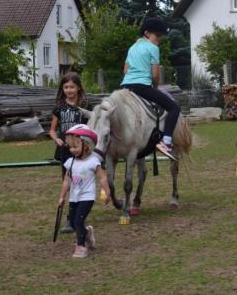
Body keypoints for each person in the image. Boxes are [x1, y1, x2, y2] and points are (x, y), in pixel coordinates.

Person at [120, 17, 180, 161]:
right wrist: (155, 88)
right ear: (146, 33)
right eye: (157, 35)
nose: (159, 39)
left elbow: (125, 70)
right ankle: (166, 141)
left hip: (126, 87)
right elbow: (155, 75)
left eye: (161, 36)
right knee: (174, 108)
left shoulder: (132, 47)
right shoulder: (153, 48)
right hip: (143, 87)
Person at [57, 124, 110, 258]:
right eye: (70, 147)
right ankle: (87, 233)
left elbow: (102, 178)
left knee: (79, 221)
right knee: (74, 224)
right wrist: (62, 197)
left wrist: (107, 192)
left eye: (75, 147)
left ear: (86, 145)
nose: (72, 150)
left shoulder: (93, 161)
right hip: (74, 197)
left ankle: (81, 246)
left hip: (87, 196)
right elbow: (66, 181)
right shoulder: (70, 162)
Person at [49, 72, 90, 233]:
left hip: (82, 151)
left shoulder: (85, 107)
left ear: (78, 88)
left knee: (81, 183)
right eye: (66, 87)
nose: (69, 90)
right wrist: (56, 139)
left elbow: (90, 128)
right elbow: (52, 130)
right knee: (69, 183)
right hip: (65, 151)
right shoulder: (59, 108)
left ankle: (78, 216)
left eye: (72, 86)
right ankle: (70, 219)